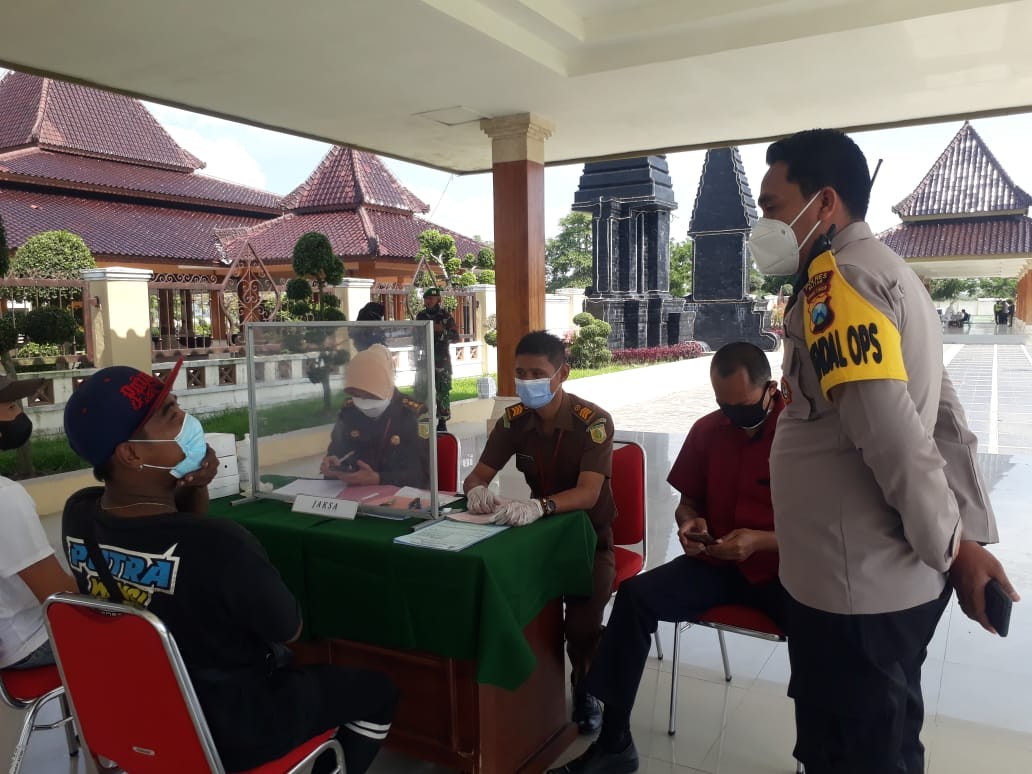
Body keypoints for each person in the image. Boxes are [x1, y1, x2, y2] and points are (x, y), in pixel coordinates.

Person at [751, 128, 1019, 773]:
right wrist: (966, 538)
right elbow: (947, 417)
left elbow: (896, 438)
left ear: (825, 202)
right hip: (875, 580)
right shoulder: (890, 272)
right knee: (887, 742)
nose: (764, 223)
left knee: (852, 755)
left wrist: (950, 550)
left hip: (852, 592)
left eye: (772, 205)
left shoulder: (837, 285)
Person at [61, 361, 397, 773]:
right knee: (377, 690)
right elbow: (286, 629)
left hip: (138, 712)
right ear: (131, 453)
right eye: (170, 416)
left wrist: (194, 486)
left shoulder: (77, 516)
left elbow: (178, 540)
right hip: (234, 725)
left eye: (178, 406)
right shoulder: (221, 543)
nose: (188, 421)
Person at [550, 342, 786, 774]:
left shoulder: (801, 434)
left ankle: (820, 750)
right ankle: (615, 742)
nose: (733, 416)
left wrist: (761, 541)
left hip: (784, 572)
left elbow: (825, 531)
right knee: (636, 597)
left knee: (830, 632)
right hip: (718, 563)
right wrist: (689, 523)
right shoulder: (709, 430)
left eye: (744, 406)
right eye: (723, 405)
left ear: (770, 389)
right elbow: (688, 500)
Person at [463, 331, 615, 735]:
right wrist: (476, 491)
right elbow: (477, 475)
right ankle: (525, 688)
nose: (527, 381)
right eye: (520, 373)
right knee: (512, 606)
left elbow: (588, 493)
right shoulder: (514, 422)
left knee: (581, 626)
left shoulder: (592, 422)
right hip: (537, 538)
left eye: (537, 373)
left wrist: (539, 505)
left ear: (562, 373)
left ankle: (587, 687)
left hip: (589, 539)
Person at [0, 376, 77, 670]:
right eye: (9, 407)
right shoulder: (6, 498)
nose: (19, 414)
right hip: (30, 641)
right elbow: (60, 597)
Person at [321, 344, 429, 488]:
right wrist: (333, 468)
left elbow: (424, 474)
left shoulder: (412, 414)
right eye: (356, 394)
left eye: (370, 394)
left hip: (399, 499)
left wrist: (378, 479)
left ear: (385, 386)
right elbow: (337, 452)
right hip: (351, 497)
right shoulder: (349, 412)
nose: (363, 401)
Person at [416, 287, 459, 431]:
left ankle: (442, 422)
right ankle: (424, 420)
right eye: (426, 299)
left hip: (442, 361)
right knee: (423, 391)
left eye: (431, 299)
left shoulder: (446, 316)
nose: (428, 301)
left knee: (442, 391)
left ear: (438, 300)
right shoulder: (421, 316)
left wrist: (442, 332)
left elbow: (455, 338)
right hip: (425, 360)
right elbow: (416, 336)